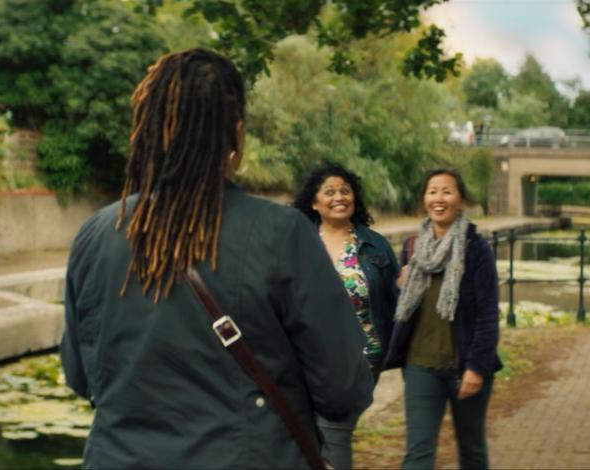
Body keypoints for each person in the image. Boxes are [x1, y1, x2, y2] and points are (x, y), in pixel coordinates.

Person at [59, 49, 374, 469]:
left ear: (149, 131)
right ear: (237, 133)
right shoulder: (282, 233)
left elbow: (81, 378)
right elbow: (344, 389)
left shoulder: (97, 233)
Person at [385, 168, 502, 469]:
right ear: (424, 199)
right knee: (418, 453)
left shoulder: (476, 249)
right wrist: (401, 286)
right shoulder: (412, 248)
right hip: (420, 366)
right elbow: (404, 307)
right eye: (432, 191)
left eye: (447, 191)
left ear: (460, 200)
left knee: (472, 449)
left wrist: (477, 367)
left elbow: (488, 314)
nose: (439, 198)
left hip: (465, 366)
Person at [292, 163, 400, 469]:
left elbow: (395, 299)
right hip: (306, 355)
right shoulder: (299, 242)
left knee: (335, 426)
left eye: (345, 190)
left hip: (362, 355)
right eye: (329, 192)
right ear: (314, 202)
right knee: (307, 430)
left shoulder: (374, 244)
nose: (339, 197)